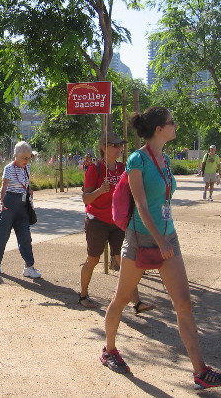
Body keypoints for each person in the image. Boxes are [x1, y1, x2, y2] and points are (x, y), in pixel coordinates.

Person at [101, 107, 221, 390]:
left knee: (184, 303)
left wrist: (166, 238)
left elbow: (163, 201)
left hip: (168, 237)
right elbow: (141, 204)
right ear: (159, 128)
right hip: (141, 239)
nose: (176, 126)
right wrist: (159, 241)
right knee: (122, 298)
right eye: (172, 123)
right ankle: (109, 350)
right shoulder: (137, 160)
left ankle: (200, 371)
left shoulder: (166, 159)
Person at [79, 132, 155, 314]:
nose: (119, 149)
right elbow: (86, 199)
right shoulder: (94, 169)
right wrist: (100, 190)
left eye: (120, 145)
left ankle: (136, 302)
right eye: (114, 145)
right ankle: (83, 295)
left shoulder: (122, 167)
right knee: (93, 259)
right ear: (104, 147)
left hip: (118, 222)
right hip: (97, 221)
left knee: (125, 261)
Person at [0, 141, 41, 278]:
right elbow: (3, 187)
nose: (27, 160)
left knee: (25, 236)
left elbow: (25, 183)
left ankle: (29, 266)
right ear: (15, 156)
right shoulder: (9, 168)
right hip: (9, 203)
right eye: (24, 157)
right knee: (3, 235)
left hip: (22, 205)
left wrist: (28, 190)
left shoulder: (26, 168)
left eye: (29, 157)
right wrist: (0, 201)